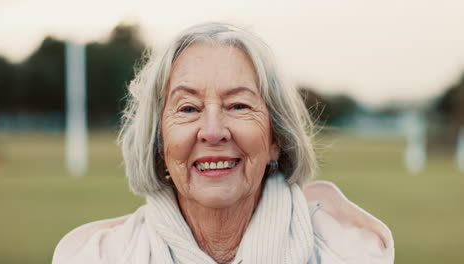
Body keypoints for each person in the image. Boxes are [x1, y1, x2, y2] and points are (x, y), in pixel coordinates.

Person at [53, 22, 394, 264]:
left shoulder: (350, 252)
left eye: (238, 106)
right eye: (188, 108)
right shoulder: (98, 257)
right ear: (158, 141)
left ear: (277, 137)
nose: (213, 131)